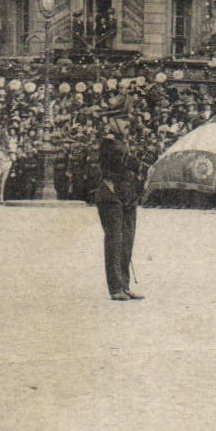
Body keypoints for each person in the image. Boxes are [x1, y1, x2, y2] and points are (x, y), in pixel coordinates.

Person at [89, 100, 142, 301]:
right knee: (115, 241)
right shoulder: (109, 143)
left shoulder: (123, 140)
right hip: (111, 196)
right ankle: (115, 288)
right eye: (122, 119)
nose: (127, 122)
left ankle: (124, 285)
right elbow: (124, 164)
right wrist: (141, 160)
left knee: (127, 241)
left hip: (127, 195)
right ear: (112, 121)